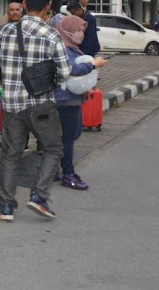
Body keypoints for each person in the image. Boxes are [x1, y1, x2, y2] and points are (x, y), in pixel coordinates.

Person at [0, 0, 71, 221]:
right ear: (48, 7)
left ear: (24, 5)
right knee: (53, 149)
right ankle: (39, 196)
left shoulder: (5, 32)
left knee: (11, 154)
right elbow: (65, 73)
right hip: (41, 103)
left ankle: (6, 206)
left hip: (12, 104)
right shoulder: (52, 35)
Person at [54, 15, 109, 190]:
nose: (81, 34)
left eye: (82, 30)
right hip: (64, 99)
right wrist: (94, 64)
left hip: (72, 98)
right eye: (77, 30)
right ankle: (68, 174)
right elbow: (72, 70)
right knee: (68, 138)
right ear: (66, 30)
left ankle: (56, 170)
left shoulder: (71, 47)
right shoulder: (64, 48)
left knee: (71, 135)